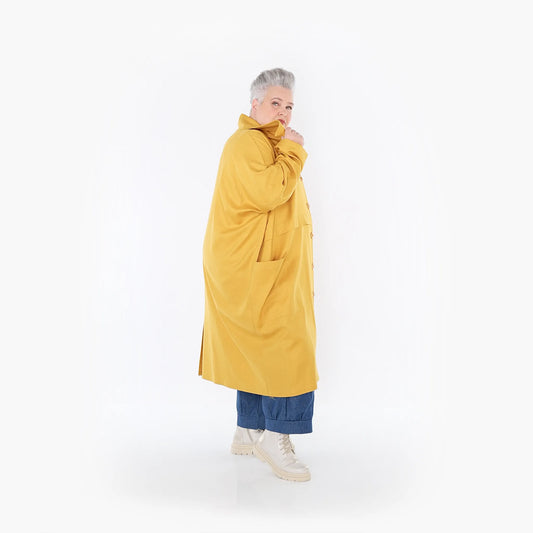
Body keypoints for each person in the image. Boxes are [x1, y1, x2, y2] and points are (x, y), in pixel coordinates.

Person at [198, 68, 318, 482]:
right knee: (287, 348)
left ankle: (249, 429)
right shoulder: (248, 143)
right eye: (275, 103)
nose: (283, 112)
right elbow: (270, 192)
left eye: (289, 106)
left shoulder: (267, 142)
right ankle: (276, 435)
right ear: (254, 104)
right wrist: (294, 151)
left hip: (263, 265)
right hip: (253, 268)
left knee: (258, 347)